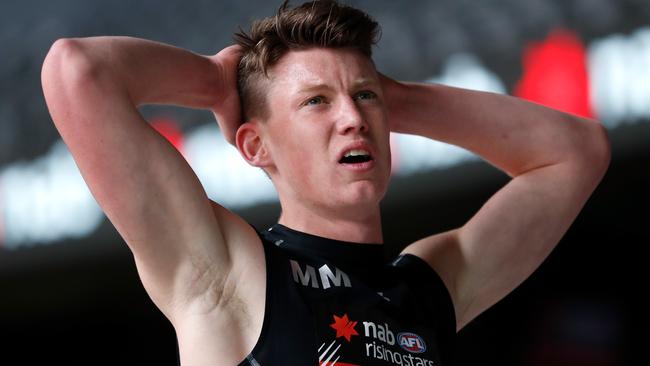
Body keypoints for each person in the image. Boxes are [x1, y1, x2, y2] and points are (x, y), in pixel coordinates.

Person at [41, 0, 610, 365]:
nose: (353, 118)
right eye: (315, 101)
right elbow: (78, 72)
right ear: (255, 146)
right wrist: (217, 82)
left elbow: (576, 151)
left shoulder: (427, 290)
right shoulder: (226, 272)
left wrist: (396, 97)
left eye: (364, 98)